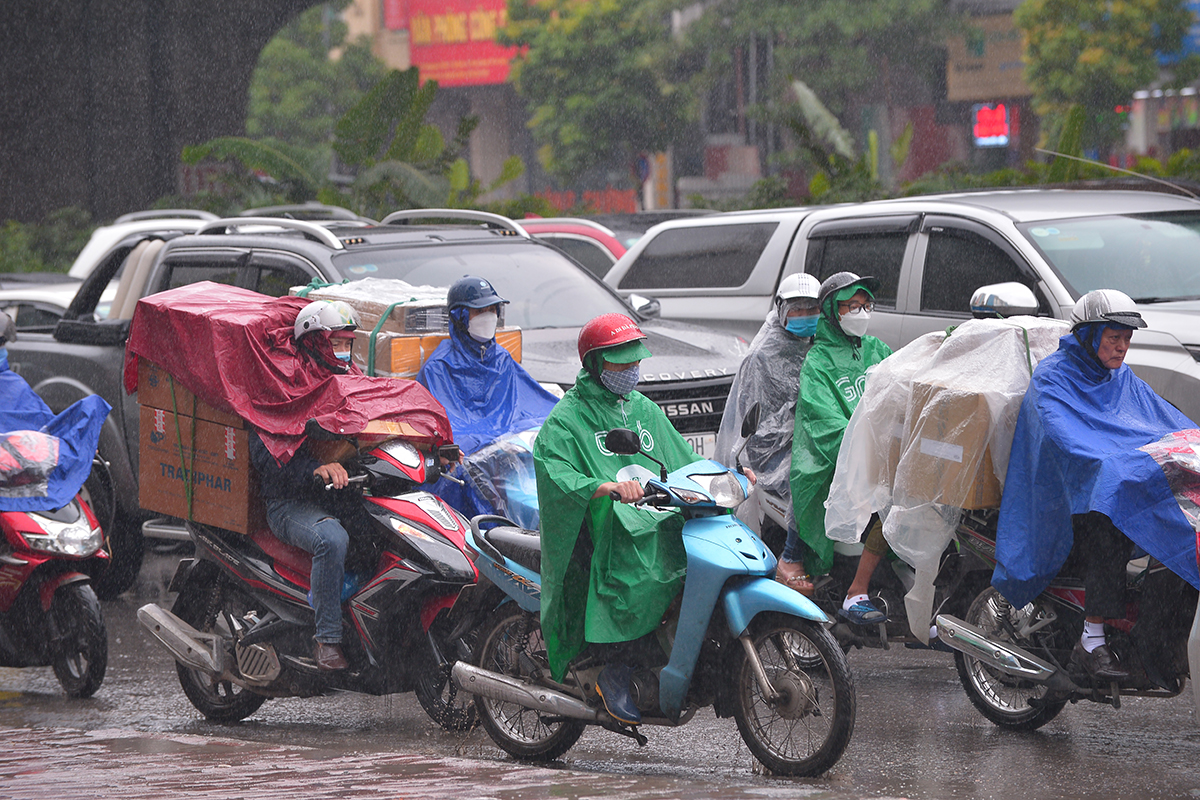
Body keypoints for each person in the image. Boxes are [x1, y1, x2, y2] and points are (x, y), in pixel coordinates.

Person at [994, 289, 1198, 681]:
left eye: (1127, 339)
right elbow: (1068, 440)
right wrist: (1114, 465)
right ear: (1089, 334)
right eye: (1114, 337)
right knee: (1110, 523)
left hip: (1115, 481)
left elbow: (1159, 419)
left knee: (1185, 519)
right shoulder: (1052, 378)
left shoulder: (1119, 376)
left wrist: (1189, 445)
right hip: (1066, 496)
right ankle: (1091, 638)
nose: (1122, 347)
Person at [534, 313, 703, 726]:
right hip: (604, 527)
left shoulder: (643, 408)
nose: (631, 371)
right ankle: (615, 666)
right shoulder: (569, 417)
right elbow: (553, 467)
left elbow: (684, 459)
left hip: (652, 516)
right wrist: (601, 487)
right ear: (594, 364)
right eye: (620, 363)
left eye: (635, 362)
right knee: (640, 570)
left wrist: (725, 473)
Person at [248, 299, 364, 672]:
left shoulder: (352, 380)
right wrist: (315, 469)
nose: (344, 350)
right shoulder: (282, 387)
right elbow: (266, 456)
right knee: (332, 540)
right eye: (337, 341)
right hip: (288, 502)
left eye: (349, 342)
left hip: (341, 495)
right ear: (315, 341)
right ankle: (327, 639)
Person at [786, 272, 893, 622]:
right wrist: (864, 446)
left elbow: (903, 387)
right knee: (893, 507)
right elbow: (823, 421)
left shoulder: (876, 349)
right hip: (836, 461)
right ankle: (855, 592)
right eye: (852, 306)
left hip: (882, 453)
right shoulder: (817, 362)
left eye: (866, 306)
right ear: (833, 311)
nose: (861, 313)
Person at [417, 276, 558, 523]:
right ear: (460, 316)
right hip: (477, 459)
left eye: (492, 310)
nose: (488, 316)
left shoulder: (501, 358)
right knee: (465, 474)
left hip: (508, 452)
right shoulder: (439, 367)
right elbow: (443, 425)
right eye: (479, 311)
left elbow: (531, 404)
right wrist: (485, 445)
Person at [714, 272, 820, 555]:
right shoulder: (762, 356)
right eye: (797, 309)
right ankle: (791, 556)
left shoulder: (819, 345)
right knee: (812, 478)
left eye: (812, 309)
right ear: (780, 307)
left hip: (814, 439)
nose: (805, 316)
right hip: (775, 454)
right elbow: (758, 430)